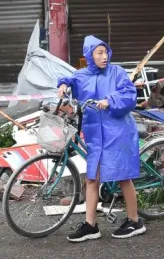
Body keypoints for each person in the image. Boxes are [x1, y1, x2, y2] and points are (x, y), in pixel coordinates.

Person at [57, 35, 146, 242]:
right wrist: (62, 85)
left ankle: (134, 220)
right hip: (95, 134)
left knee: (123, 176)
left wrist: (110, 100)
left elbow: (129, 94)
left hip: (118, 131)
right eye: (99, 53)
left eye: (105, 52)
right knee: (91, 178)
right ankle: (91, 226)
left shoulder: (117, 72)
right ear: (89, 55)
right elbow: (68, 79)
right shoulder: (81, 75)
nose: (104, 56)